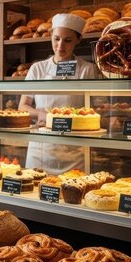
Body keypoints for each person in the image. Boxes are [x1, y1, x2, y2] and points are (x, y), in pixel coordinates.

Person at [18, 13, 97, 175]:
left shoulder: (87, 69)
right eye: (56, 39)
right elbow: (22, 106)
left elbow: (92, 110)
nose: (60, 46)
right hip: (41, 149)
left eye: (68, 40)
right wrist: (40, 113)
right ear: (51, 37)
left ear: (78, 39)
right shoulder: (37, 69)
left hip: (74, 150)